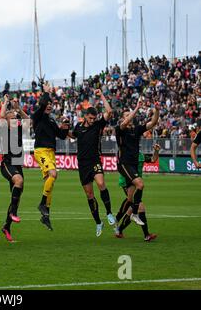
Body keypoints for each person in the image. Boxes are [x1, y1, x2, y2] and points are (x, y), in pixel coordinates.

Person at [68, 89, 116, 237]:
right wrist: (62, 130)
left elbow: (109, 111)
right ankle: (98, 222)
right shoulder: (79, 127)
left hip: (95, 160)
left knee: (101, 184)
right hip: (82, 164)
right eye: (90, 118)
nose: (92, 120)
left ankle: (109, 213)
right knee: (89, 195)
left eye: (94, 118)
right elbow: (72, 135)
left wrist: (101, 95)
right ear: (85, 117)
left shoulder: (97, 125)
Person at [115, 100, 160, 227]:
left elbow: (153, 123)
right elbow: (125, 123)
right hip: (124, 163)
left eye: (130, 115)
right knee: (140, 184)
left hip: (133, 165)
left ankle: (118, 219)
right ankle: (134, 214)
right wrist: (136, 109)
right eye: (126, 115)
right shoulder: (119, 129)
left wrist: (157, 110)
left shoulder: (136, 129)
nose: (129, 117)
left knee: (130, 198)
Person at [32, 83, 70, 230]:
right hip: (41, 151)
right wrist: (46, 93)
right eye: (47, 104)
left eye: (51, 104)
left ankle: (46, 215)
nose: (49, 106)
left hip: (50, 153)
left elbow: (60, 135)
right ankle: (42, 204)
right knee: (53, 174)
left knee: (50, 182)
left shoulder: (52, 120)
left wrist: (66, 126)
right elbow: (42, 105)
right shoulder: (38, 116)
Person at [0, 94, 29, 242]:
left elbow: (28, 120)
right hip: (7, 163)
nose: (16, 120)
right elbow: (2, 115)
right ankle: (13, 213)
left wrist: (19, 109)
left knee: (16, 196)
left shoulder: (19, 130)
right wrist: (6, 102)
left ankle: (6, 226)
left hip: (17, 164)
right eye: (13, 118)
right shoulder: (3, 129)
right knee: (19, 181)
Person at [115, 144, 160, 241]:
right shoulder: (125, 155)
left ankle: (119, 229)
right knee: (140, 206)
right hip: (126, 183)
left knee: (131, 209)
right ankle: (146, 235)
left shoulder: (141, 156)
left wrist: (156, 151)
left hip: (136, 183)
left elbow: (153, 159)